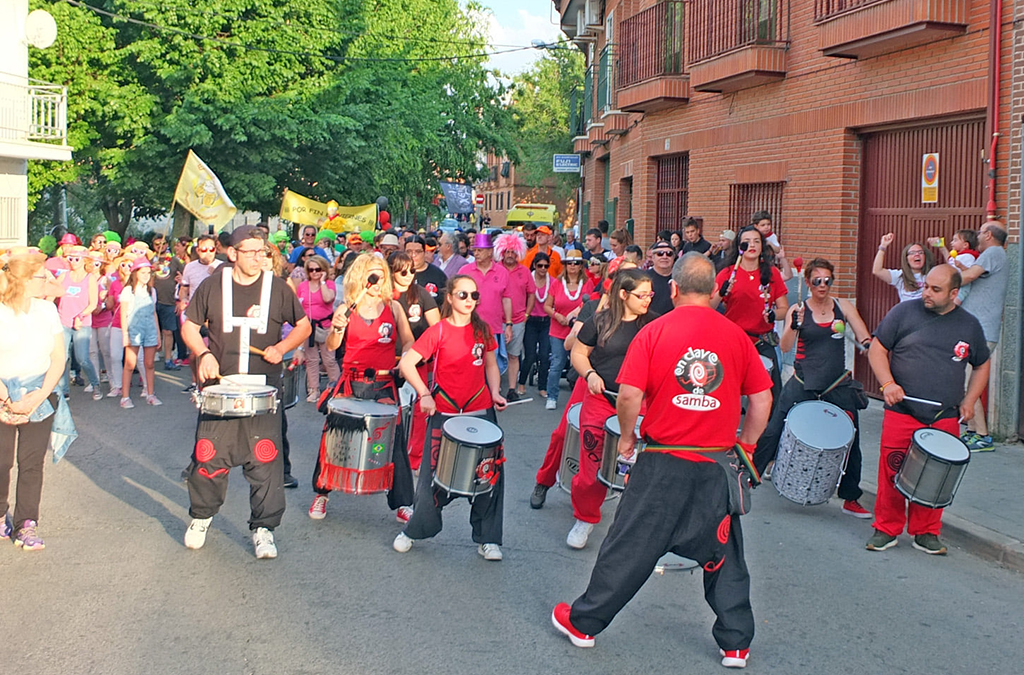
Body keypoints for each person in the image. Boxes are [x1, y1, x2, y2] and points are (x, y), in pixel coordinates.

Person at [551, 254, 772, 669]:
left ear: (674, 289)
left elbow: (631, 395)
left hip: (663, 460)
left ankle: (584, 623)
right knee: (725, 554)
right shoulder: (736, 336)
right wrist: (746, 443)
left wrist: (630, 437)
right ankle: (736, 644)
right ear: (714, 292)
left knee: (629, 545)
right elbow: (761, 399)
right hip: (715, 465)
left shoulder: (655, 331)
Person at [181, 227, 311, 559]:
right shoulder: (213, 284)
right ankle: (202, 516)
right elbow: (189, 327)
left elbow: (304, 325)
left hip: (263, 390)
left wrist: (282, 347)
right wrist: (204, 354)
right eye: (250, 252)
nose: (257, 258)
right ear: (233, 253)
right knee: (209, 455)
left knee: (266, 460)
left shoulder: (277, 288)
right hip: (220, 388)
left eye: (262, 252)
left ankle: (263, 528)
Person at [866, 265, 989, 555]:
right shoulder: (903, 313)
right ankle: (886, 528)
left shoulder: (969, 325)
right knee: (892, 470)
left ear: (954, 293)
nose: (927, 294)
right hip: (902, 411)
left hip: (943, 416)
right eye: (926, 287)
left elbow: (982, 364)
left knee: (936, 476)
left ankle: (926, 532)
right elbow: (877, 348)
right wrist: (887, 384)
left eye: (936, 289)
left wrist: (970, 400)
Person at [393, 275, 509, 559]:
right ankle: (415, 530)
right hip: (444, 413)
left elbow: (491, 364)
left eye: (474, 296)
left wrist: (495, 391)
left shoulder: (483, 330)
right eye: (463, 295)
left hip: (480, 410)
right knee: (433, 478)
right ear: (450, 297)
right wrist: (424, 393)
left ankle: (488, 538)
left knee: (488, 475)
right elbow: (407, 364)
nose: (469, 301)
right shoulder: (439, 331)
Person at [752, 258, 873, 516]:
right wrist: (794, 325)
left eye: (827, 280)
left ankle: (850, 497)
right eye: (817, 281)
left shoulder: (843, 306)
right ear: (807, 282)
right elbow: (784, 347)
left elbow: (864, 334)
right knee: (774, 430)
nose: (822, 285)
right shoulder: (798, 308)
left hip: (836, 383)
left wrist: (867, 343)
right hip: (804, 381)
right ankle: (750, 477)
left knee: (852, 437)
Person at [310, 254, 415, 522]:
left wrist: (406, 361)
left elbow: (409, 342)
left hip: (383, 384)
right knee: (334, 438)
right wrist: (336, 329)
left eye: (382, 274)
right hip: (351, 382)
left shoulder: (394, 308)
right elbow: (333, 347)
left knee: (393, 440)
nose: (379, 280)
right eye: (373, 274)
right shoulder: (346, 308)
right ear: (361, 277)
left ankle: (403, 503)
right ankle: (322, 493)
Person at [566, 269, 656, 548]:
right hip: (601, 401)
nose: (647, 300)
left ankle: (631, 527)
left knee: (637, 469)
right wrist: (590, 374)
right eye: (641, 295)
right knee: (590, 469)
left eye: (650, 294)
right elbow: (578, 353)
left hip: (638, 404)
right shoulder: (599, 320)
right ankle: (585, 518)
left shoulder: (654, 324)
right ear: (623, 294)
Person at [0, 249, 75, 551]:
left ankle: (26, 524)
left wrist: (39, 396)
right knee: (0, 461)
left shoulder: (47, 311)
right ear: (24, 280)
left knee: (31, 463)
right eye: (42, 277)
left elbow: (58, 357)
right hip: (2, 393)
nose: (48, 281)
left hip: (40, 393)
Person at [712, 226, 789, 409]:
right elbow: (709, 307)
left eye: (756, 241)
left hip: (762, 340)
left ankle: (766, 435)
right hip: (734, 340)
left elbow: (784, 309)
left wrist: (772, 315)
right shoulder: (728, 273)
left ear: (762, 246)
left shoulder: (772, 274)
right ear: (739, 246)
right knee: (726, 393)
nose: (752, 245)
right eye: (747, 242)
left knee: (771, 395)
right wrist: (721, 292)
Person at [957, 221, 1008, 451]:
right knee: (968, 382)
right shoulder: (995, 255)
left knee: (972, 384)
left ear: (988, 235)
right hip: (979, 329)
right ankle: (971, 431)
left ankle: (983, 436)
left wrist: (942, 279)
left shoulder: (993, 252)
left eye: (980, 231)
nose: (977, 235)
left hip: (982, 331)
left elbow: (968, 277)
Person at [390, 251, 440, 471]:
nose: (409, 274)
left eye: (412, 270)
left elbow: (437, 328)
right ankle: (388, 456)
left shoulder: (420, 293)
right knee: (391, 410)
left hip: (417, 362)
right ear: (391, 271)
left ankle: (415, 458)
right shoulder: (382, 295)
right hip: (388, 361)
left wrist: (422, 353)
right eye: (403, 271)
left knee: (419, 410)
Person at [543, 249, 593, 410]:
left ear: (581, 266)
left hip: (579, 331)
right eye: (569, 262)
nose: (573, 266)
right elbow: (547, 306)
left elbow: (591, 304)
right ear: (565, 265)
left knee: (578, 364)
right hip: (558, 330)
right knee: (557, 362)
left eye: (576, 263)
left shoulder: (587, 284)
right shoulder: (557, 283)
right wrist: (557, 316)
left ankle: (578, 399)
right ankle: (552, 396)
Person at [459, 233, 513, 375]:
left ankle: (491, 394)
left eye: (480, 250)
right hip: (469, 327)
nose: (476, 253)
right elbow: (456, 296)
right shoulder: (465, 271)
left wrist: (508, 324)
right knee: (471, 366)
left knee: (492, 366)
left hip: (492, 329)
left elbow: (506, 299)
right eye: (475, 250)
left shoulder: (502, 272)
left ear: (490, 251)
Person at [57, 245, 102, 400]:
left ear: (85, 261)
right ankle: (64, 390)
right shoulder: (63, 276)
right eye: (70, 259)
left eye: (77, 259)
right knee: (61, 358)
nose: (73, 262)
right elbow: (52, 293)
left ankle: (95, 384)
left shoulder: (90, 279)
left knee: (82, 358)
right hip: (63, 321)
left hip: (82, 323)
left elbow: (93, 303)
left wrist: (80, 316)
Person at [495, 233, 535, 401]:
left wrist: (526, 315)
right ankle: (495, 389)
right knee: (494, 356)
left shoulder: (524, 272)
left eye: (513, 252)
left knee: (513, 355)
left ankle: (512, 389)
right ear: (501, 252)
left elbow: (531, 294)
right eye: (507, 251)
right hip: (496, 320)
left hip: (518, 320)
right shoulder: (495, 269)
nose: (510, 255)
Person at [119, 257, 162, 408]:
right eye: (143, 272)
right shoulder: (128, 291)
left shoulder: (152, 291)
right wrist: (125, 334)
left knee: (149, 363)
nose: (146, 276)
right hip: (134, 329)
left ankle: (150, 394)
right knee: (130, 364)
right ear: (136, 273)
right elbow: (123, 314)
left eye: (148, 273)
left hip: (149, 328)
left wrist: (158, 333)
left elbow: (154, 313)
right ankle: (125, 397)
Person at [296, 255, 339, 403]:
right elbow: (299, 306)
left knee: (329, 360)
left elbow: (328, 299)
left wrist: (322, 282)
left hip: (325, 326)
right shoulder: (303, 286)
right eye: (311, 269)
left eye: (317, 269)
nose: (314, 272)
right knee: (311, 360)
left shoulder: (329, 284)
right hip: (309, 327)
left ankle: (335, 387)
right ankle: (313, 389)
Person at [519, 252, 552, 399]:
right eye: (540, 265)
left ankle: (543, 387)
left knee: (545, 355)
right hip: (531, 321)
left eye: (546, 266)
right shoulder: (528, 279)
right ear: (534, 265)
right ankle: (521, 383)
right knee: (530, 355)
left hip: (546, 322)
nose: (543, 269)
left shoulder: (552, 281)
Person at [872, 234, 932, 304]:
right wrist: (883, 247)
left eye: (920, 252)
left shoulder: (932, 275)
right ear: (906, 259)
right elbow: (877, 271)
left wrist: (942, 248)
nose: (917, 255)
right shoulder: (900, 276)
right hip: (907, 313)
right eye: (912, 253)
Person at [405, 236, 447, 301]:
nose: (413, 255)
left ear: (425, 252)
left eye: (418, 251)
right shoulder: (398, 274)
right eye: (409, 251)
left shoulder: (438, 275)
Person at [646, 240, 676, 316]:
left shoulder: (680, 278)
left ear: (673, 257)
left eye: (669, 254)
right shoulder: (644, 278)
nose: (665, 257)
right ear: (653, 257)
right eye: (660, 254)